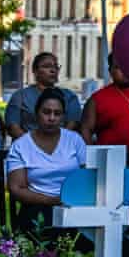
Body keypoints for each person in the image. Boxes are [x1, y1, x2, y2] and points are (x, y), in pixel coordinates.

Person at [7, 87, 87, 232]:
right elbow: (16, 188)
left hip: (74, 207)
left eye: (57, 113)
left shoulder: (74, 140)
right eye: (46, 112)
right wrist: (51, 201)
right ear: (36, 113)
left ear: (63, 116)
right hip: (36, 209)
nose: (51, 118)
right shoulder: (21, 146)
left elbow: (87, 175)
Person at [80, 53, 129, 170]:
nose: (125, 71)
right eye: (118, 67)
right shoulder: (97, 99)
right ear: (110, 71)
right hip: (111, 166)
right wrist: (93, 162)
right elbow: (86, 130)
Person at [6, 52, 82, 138]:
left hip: (61, 147)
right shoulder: (20, 96)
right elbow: (13, 127)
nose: (53, 70)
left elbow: (72, 125)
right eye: (47, 66)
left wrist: (57, 144)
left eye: (56, 67)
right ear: (35, 71)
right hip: (26, 147)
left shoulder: (69, 96)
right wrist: (31, 145)